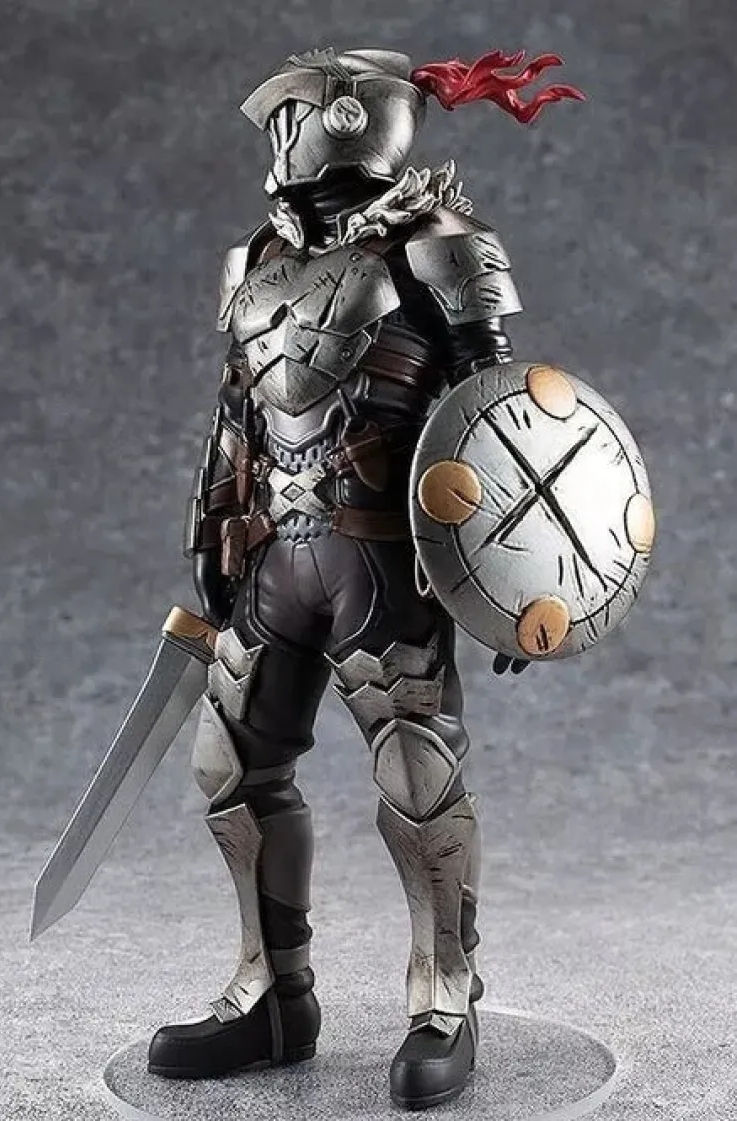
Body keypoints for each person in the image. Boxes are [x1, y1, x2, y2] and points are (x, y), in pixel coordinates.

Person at [147, 46, 583, 1109]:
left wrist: (517, 575)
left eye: (291, 117)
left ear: (342, 121)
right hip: (274, 555)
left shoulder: (438, 243)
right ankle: (270, 997)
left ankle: (444, 998)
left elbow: (500, 414)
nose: (280, 137)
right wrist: (210, 527)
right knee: (231, 767)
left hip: (385, 560)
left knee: (418, 780)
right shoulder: (256, 256)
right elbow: (236, 409)